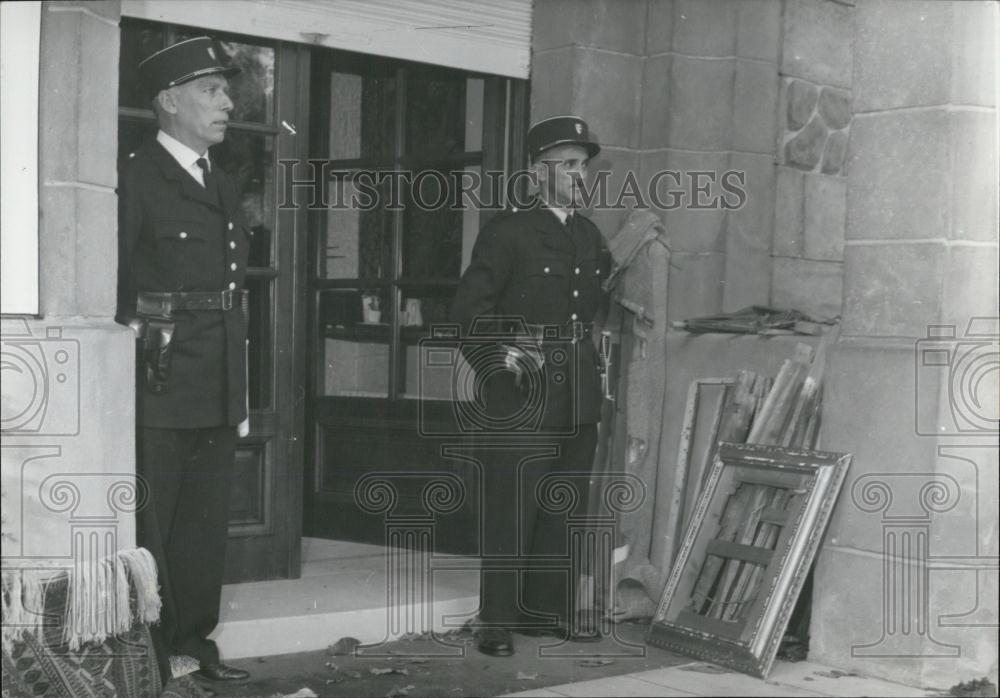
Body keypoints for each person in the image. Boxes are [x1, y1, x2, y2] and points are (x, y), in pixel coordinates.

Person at [116, 36, 251, 686]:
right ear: (169, 101)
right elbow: (113, 287)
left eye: (226, 91)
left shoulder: (220, 183)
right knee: (155, 526)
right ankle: (151, 656)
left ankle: (195, 647)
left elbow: (229, 291)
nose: (228, 101)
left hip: (218, 380)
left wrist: (239, 392)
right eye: (212, 90)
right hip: (160, 381)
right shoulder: (136, 177)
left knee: (203, 526)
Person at [450, 116, 611, 656]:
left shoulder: (588, 235)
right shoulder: (507, 232)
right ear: (536, 172)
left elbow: (590, 308)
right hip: (523, 391)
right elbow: (469, 313)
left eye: (582, 165)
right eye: (567, 164)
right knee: (512, 504)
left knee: (563, 503)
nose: (578, 173)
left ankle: (543, 612)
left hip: (577, 389)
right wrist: (502, 361)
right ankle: (495, 619)